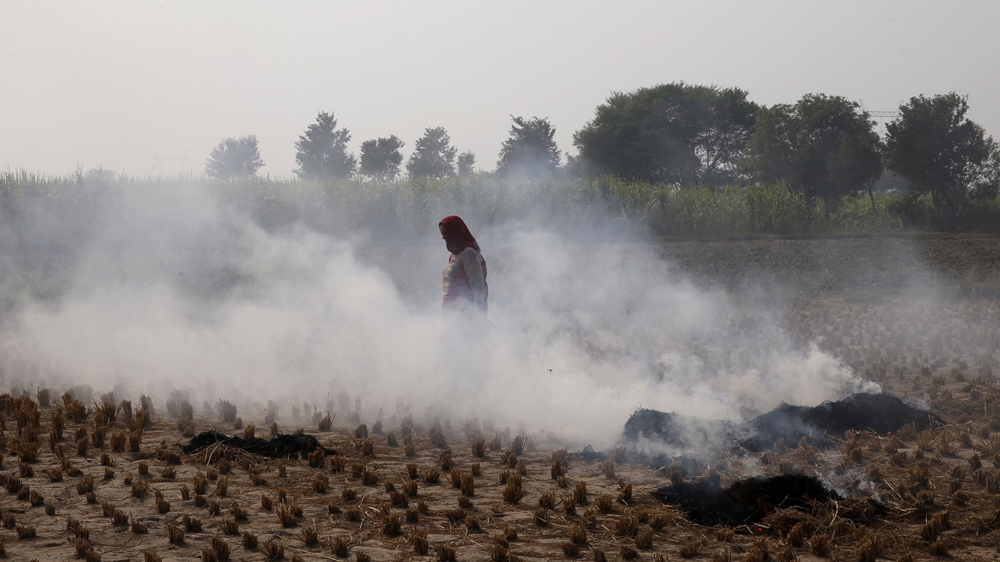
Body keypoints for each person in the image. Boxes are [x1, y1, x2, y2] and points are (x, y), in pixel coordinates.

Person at [436, 215, 490, 385]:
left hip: (464, 313)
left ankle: (467, 395)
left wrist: (478, 314)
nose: (443, 236)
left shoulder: (469, 254)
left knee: (458, 354)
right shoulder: (454, 256)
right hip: (451, 312)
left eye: (446, 232)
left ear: (456, 232)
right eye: (442, 233)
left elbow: (478, 285)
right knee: (451, 355)